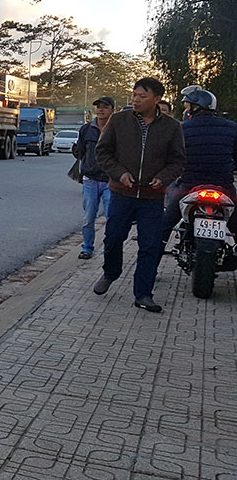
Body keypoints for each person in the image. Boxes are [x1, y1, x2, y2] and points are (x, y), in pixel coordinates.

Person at [93, 77, 185, 312]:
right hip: (122, 193)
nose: (135, 99)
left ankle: (143, 294)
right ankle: (111, 273)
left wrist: (163, 178)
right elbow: (103, 153)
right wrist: (119, 173)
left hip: (152, 198)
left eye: (142, 96)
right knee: (113, 238)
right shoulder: (119, 120)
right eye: (134, 94)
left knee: (150, 245)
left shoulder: (172, 127)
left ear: (157, 99)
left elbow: (177, 161)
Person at [160, 89, 237, 249]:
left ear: (195, 107)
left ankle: (150, 269)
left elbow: (172, 157)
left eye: (188, 105)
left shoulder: (182, 128)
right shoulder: (231, 127)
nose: (186, 108)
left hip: (189, 187)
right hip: (225, 187)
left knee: (164, 228)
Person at [74, 96, 114, 259]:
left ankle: (109, 250)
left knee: (111, 219)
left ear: (112, 109)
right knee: (88, 218)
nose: (101, 110)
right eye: (98, 107)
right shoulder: (86, 129)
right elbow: (80, 152)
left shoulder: (117, 129)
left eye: (105, 107)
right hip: (90, 180)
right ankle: (87, 248)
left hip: (110, 181)